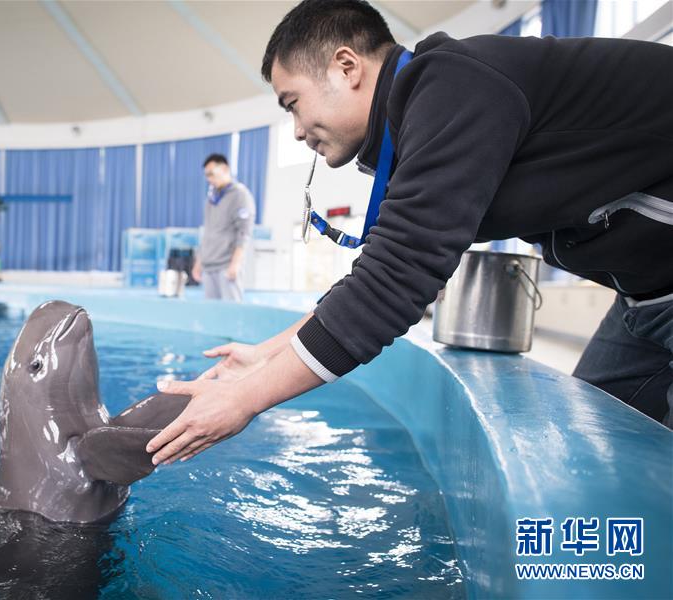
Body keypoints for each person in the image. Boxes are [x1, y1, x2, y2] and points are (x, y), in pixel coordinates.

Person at [146, 0, 673, 465]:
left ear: (346, 66)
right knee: (598, 459)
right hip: (646, 297)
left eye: (293, 104)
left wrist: (245, 399)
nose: (298, 131)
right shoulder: (421, 125)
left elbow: (397, 281)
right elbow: (381, 270)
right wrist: (268, 353)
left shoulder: (454, 83)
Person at [192, 154, 256, 302]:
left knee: (231, 315)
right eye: (206, 175)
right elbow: (207, 232)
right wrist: (199, 262)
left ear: (225, 169)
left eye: (211, 174)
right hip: (208, 267)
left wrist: (235, 263)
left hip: (227, 266)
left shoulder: (240, 195)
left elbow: (244, 232)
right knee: (211, 316)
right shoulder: (210, 200)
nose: (209, 179)